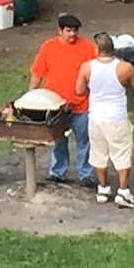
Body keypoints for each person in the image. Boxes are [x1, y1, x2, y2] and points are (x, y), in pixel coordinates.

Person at [28, 14, 98, 187]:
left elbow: (96, 74)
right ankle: (58, 171)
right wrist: (30, 95)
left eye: (75, 31)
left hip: (81, 104)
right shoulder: (49, 47)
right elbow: (37, 73)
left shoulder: (88, 48)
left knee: (84, 140)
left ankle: (86, 174)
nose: (72, 34)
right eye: (68, 31)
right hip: (54, 105)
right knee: (58, 139)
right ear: (60, 31)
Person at [76, 32, 134, 208]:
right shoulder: (124, 67)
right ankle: (123, 191)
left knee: (99, 153)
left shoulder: (86, 67)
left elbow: (80, 90)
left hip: (96, 117)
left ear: (97, 48)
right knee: (121, 153)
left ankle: (103, 189)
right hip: (116, 117)